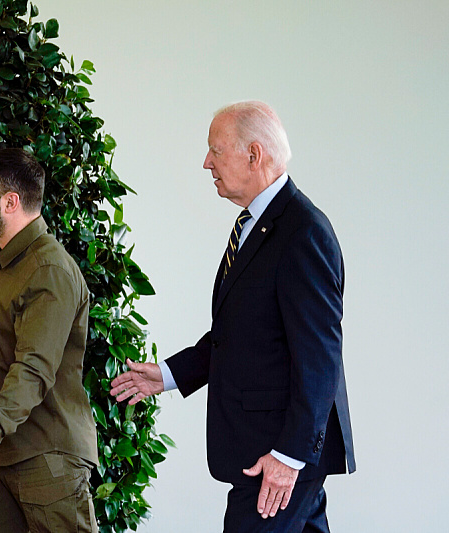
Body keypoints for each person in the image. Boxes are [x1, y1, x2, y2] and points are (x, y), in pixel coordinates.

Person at [110, 101, 355, 532]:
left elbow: (321, 358)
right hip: (266, 454)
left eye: (215, 151)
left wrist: (289, 457)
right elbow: (239, 335)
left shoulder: (303, 232)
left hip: (276, 458)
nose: (206, 163)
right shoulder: (256, 225)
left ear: (253, 155)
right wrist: (167, 375)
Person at [0, 148, 99, 532]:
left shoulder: (48, 268)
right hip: (2, 458)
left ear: (10, 202)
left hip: (48, 458)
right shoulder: (10, 263)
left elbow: (34, 368)